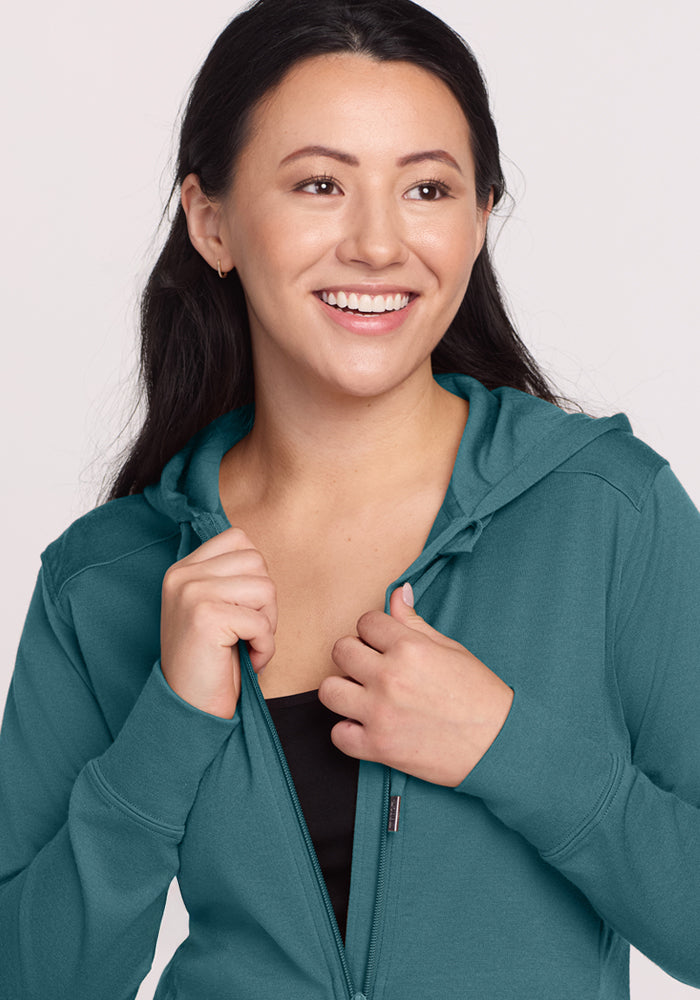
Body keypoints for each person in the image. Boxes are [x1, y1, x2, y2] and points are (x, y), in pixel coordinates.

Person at [2, 0, 699, 997]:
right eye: (320, 183)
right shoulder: (106, 578)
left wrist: (514, 751)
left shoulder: (606, 514)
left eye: (426, 188)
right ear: (212, 222)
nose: (378, 244)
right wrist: (169, 726)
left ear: (478, 220)